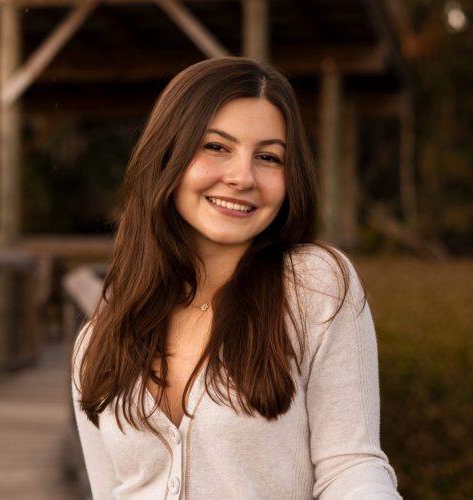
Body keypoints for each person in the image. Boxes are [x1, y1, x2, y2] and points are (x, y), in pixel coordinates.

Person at [72, 57, 402, 500]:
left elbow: (350, 466)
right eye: (216, 147)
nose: (242, 177)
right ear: (167, 154)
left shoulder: (314, 286)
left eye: (268, 157)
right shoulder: (99, 338)